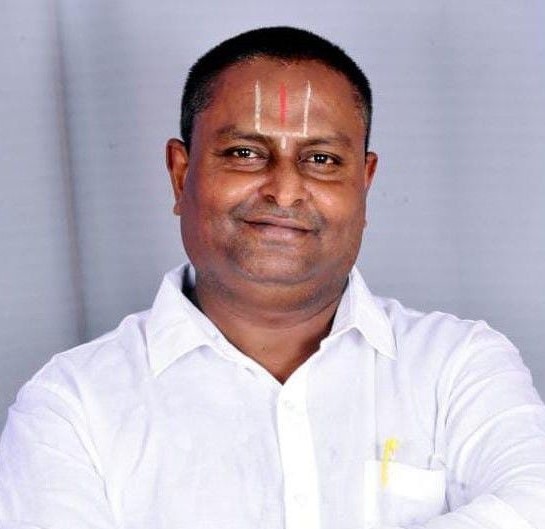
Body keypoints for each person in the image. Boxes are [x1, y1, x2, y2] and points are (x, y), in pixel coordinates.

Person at [0, 26, 543, 529]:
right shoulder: (72, 405)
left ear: (365, 182)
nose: (284, 191)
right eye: (245, 153)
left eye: (322, 159)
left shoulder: (459, 366)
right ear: (181, 174)